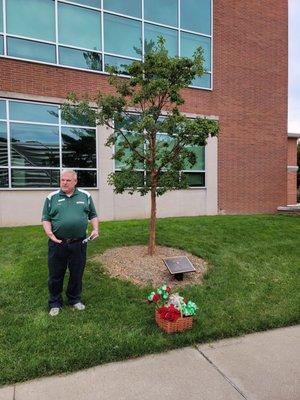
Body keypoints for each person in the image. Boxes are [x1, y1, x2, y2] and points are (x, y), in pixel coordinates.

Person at [42, 169, 99, 316]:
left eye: (68, 180)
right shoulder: (51, 197)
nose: (64, 182)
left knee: (76, 273)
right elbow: (46, 218)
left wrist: (95, 229)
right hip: (57, 243)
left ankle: (74, 299)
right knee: (55, 274)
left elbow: (93, 214)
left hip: (79, 243)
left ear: (75, 181)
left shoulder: (85, 196)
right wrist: (50, 234)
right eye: (62, 180)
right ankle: (55, 302)